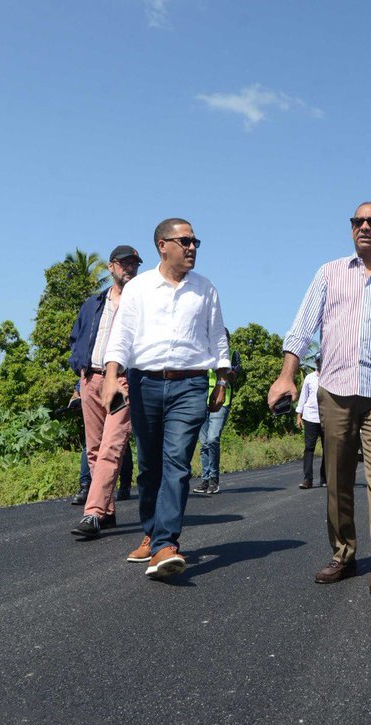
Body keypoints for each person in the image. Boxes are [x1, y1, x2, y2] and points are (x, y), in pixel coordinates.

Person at [268, 201, 371, 595]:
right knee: (337, 476)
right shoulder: (329, 273)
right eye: (357, 221)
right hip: (336, 388)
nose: (364, 226)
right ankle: (343, 554)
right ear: (351, 229)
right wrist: (286, 376)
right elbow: (303, 326)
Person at [101, 219, 230, 581]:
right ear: (163, 245)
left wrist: (220, 380)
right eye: (185, 241)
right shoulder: (139, 288)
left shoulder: (206, 290)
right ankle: (150, 531)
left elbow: (218, 338)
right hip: (145, 384)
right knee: (149, 466)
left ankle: (165, 545)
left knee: (177, 461)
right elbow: (121, 336)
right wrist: (111, 378)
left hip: (190, 385)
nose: (192, 248)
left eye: (195, 242)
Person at [68, 245, 143, 538]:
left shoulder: (141, 304)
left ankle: (93, 513)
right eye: (125, 263)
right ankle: (108, 512)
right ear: (111, 267)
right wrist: (81, 373)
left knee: (113, 446)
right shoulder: (93, 303)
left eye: (135, 263)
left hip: (123, 381)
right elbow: (77, 336)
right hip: (92, 379)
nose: (130, 268)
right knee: (95, 449)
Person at [194, 328, 242, 496]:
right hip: (202, 401)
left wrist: (223, 370)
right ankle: (205, 479)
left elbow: (234, 375)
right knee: (204, 443)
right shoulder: (204, 355)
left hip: (222, 402)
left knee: (213, 439)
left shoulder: (231, 357)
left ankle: (214, 479)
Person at [296, 356, 325, 489]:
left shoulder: (330, 376)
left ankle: (324, 478)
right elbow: (303, 397)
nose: (320, 362)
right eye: (318, 360)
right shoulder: (309, 378)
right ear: (316, 362)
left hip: (327, 417)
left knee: (328, 449)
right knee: (309, 448)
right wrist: (299, 415)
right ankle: (308, 479)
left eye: (322, 360)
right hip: (310, 416)